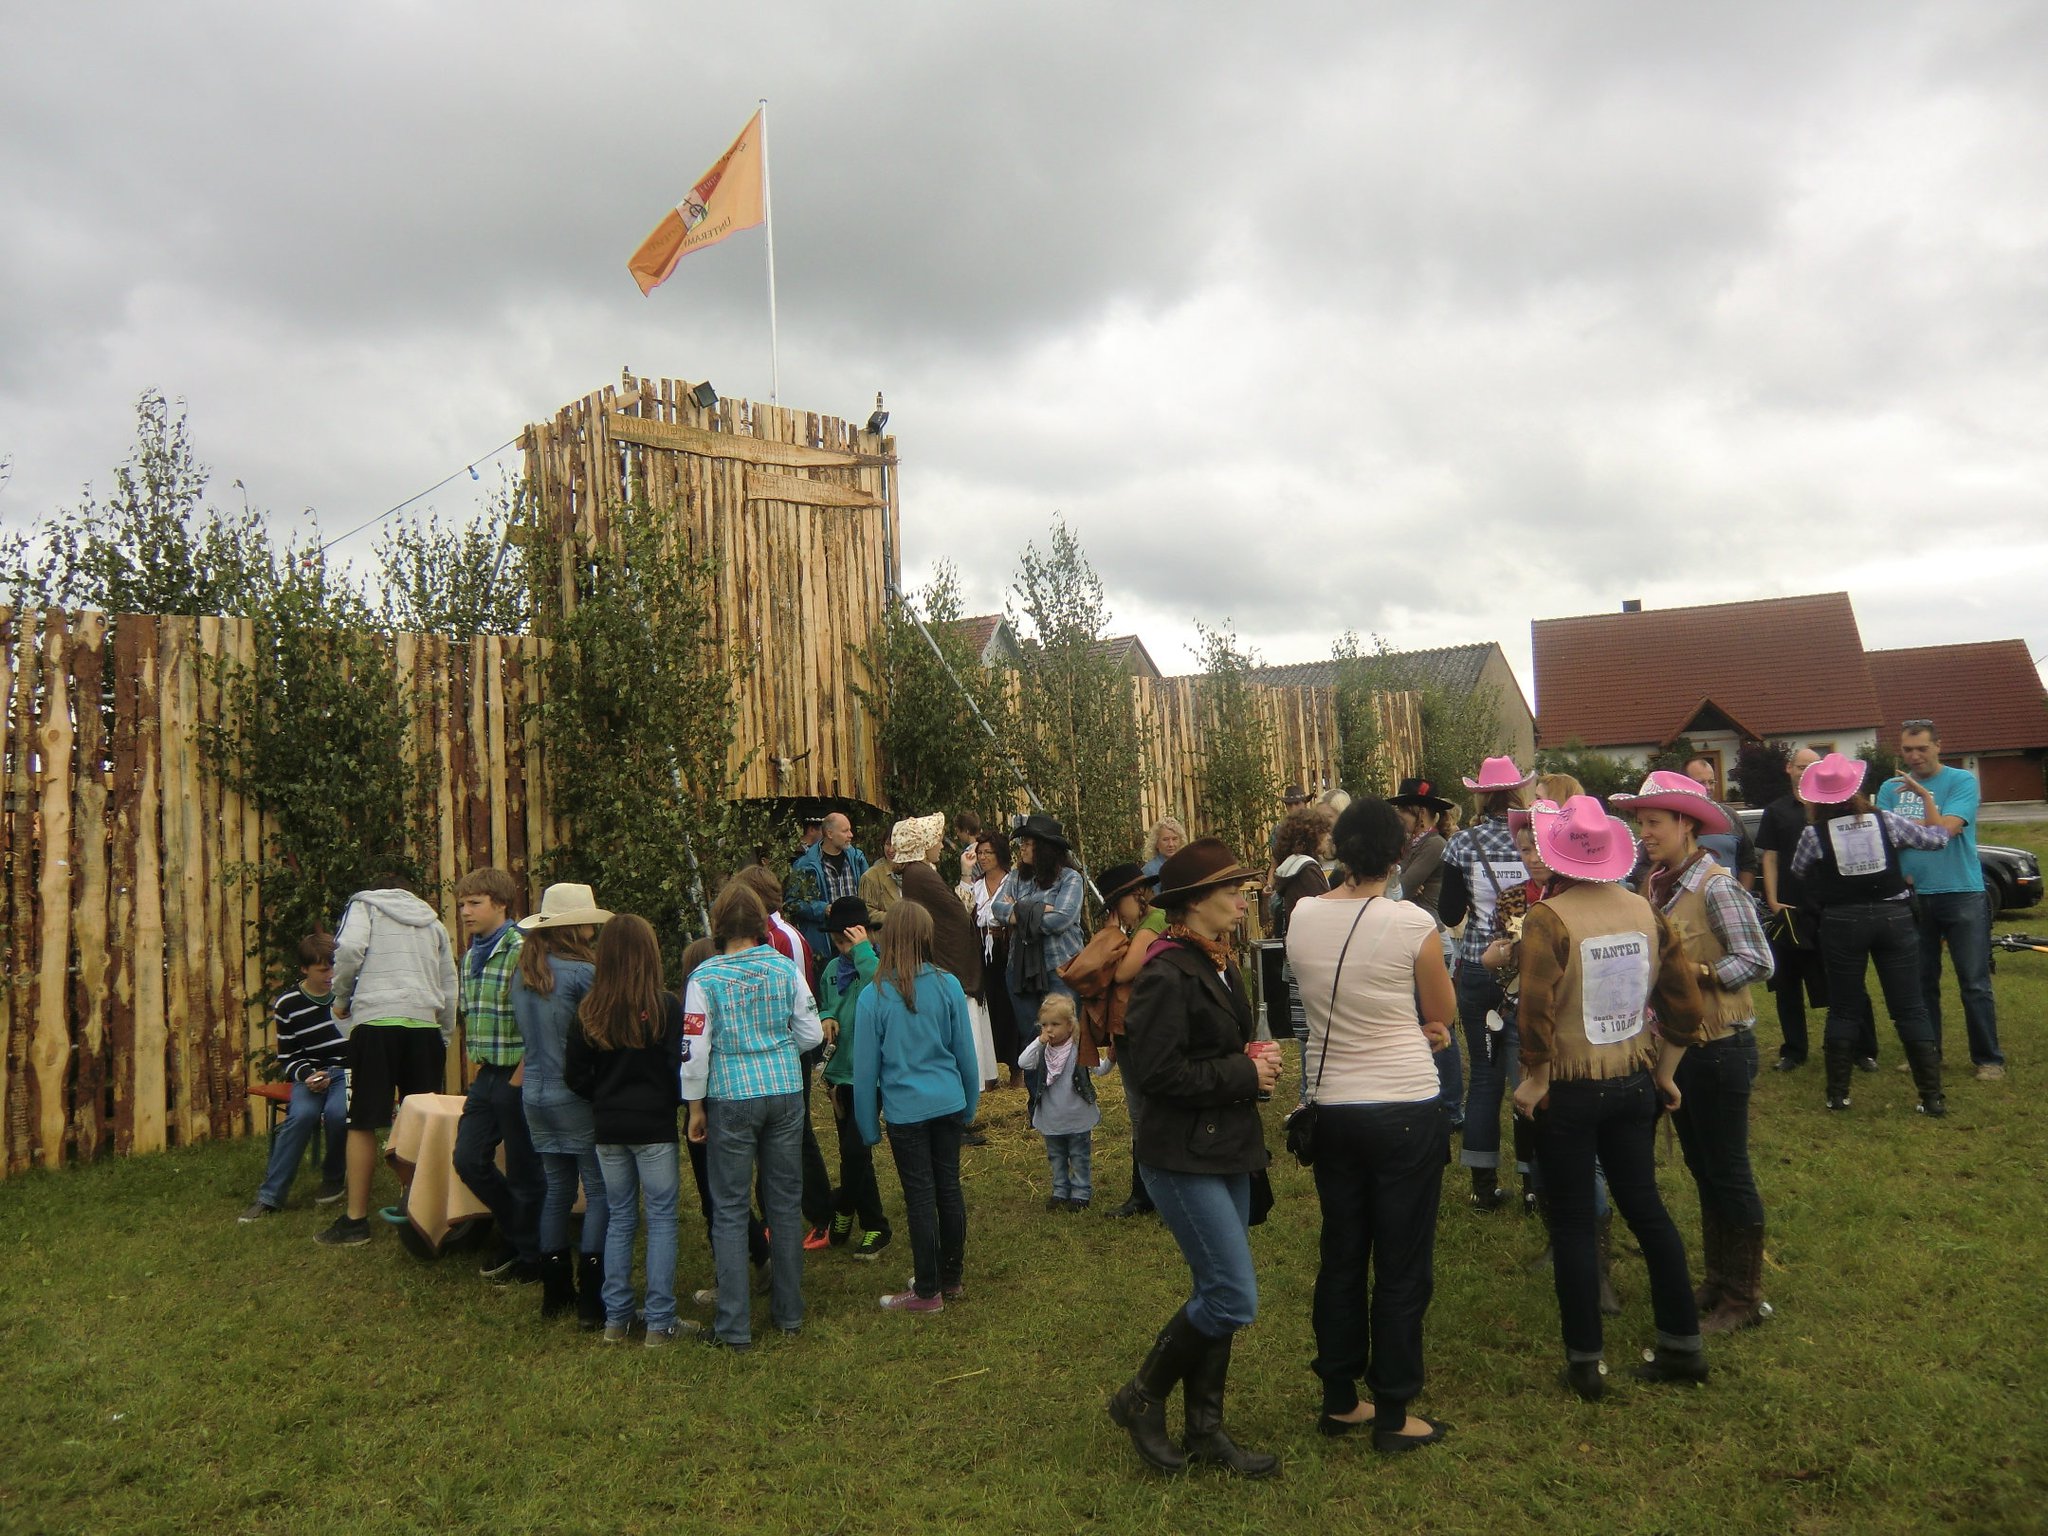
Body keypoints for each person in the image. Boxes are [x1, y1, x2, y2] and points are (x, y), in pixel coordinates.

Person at [1509, 796, 1713, 1399]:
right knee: (1646, 1207)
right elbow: (1685, 1007)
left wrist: (1537, 1079)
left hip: (1570, 1089)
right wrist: (1666, 1073)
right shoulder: (1644, 910)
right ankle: (1683, 1344)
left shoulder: (1548, 919)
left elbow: (1535, 1011)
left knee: (1574, 1222)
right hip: (1632, 1080)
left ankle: (1586, 1363)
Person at [1286, 799, 1457, 1451]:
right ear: (1396, 854)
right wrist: (1429, 1027)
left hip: (1332, 1104)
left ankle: (1339, 1398)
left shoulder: (1303, 915)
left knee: (1343, 1255)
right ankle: (1393, 1408)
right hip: (1403, 1103)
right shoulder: (1411, 921)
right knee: (1402, 1261)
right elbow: (1440, 1010)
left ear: (1339, 848)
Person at [1111, 838, 1282, 1479]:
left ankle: (1205, 1430)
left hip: (1223, 1145)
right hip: (1180, 1156)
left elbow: (1213, 1049)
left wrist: (1251, 1061)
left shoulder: (1218, 961)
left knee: (1215, 1289)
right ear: (1195, 902)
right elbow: (1157, 1073)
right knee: (1233, 1297)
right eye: (1231, 892)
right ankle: (1140, 1398)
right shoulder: (1165, 972)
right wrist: (1243, 1072)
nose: (1242, 902)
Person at [1611, 772, 1775, 1334]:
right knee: (1703, 1168)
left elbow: (1757, 960)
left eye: (1654, 822)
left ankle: (1744, 1295)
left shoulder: (1716, 886)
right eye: (1640, 823)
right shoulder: (1656, 884)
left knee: (1728, 1170)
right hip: (1681, 1049)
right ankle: (1719, 1279)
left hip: (1723, 1048)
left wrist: (1698, 972)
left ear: (1686, 824)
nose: (1644, 832)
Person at [682, 883, 824, 1349]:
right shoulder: (784, 967)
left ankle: (733, 1327)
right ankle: (789, 1314)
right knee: (783, 1202)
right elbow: (810, 1034)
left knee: (728, 1207)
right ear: (761, 923)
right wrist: (775, 1047)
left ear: (719, 923)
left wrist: (695, 1106)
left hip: (731, 1095)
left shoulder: (704, 978)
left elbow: (694, 1051)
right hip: (784, 1089)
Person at [1790, 752, 1953, 1114]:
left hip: (1841, 921)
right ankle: (1931, 1097)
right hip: (1894, 917)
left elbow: (1799, 869)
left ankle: (1838, 1094)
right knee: (1910, 1008)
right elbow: (1936, 840)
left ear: (1818, 797)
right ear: (1856, 789)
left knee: (1843, 1008)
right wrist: (1927, 800)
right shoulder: (1886, 820)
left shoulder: (1813, 834)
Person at [563, 914, 689, 1346]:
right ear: (650, 954)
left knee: (620, 1218)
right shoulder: (665, 1007)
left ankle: (616, 1319)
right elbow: (679, 1067)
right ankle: (660, 1321)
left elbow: (574, 1075)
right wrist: (669, 1101)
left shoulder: (590, 1010)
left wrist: (602, 1097)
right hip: (653, 1127)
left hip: (609, 1128)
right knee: (661, 1219)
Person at [852, 901, 981, 1312]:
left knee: (921, 1198)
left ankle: (928, 1290)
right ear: (927, 936)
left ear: (886, 938)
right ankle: (950, 1278)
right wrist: (970, 1104)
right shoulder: (948, 985)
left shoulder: (874, 996)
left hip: (906, 1113)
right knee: (949, 1189)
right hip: (948, 1103)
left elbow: (864, 1071)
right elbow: (966, 1054)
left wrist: (867, 1126)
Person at [316, 877, 459, 1248]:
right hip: (424, 1027)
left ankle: (355, 1222)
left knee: (363, 1121)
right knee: (423, 1123)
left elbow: (349, 949)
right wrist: (443, 1033)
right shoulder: (432, 922)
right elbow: (449, 982)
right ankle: (421, 1214)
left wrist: (341, 998)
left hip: (376, 1023)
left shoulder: (364, 906)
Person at [1875, 720, 2005, 1080]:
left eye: (1922, 748)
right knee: (1921, 980)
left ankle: (1988, 1060)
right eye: (1907, 749)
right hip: (1912, 896)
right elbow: (1884, 836)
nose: (1914, 756)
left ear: (1938, 746)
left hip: (1961, 892)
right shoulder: (1889, 788)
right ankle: (1928, 1053)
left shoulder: (1962, 781)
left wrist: (1920, 805)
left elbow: (1945, 831)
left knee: (1974, 981)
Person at [1439, 756, 1536, 1213]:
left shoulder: (1462, 843)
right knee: (1526, 1076)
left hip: (1479, 965)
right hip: (1528, 967)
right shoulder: (1535, 840)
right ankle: (1534, 1182)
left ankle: (1483, 1185)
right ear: (1519, 792)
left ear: (1480, 796)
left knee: (1483, 1075)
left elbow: (1449, 914)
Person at [512, 883, 611, 1326]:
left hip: (534, 1091)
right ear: (577, 926)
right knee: (599, 1190)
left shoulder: (524, 971)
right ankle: (592, 1295)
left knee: (557, 1188)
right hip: (574, 1092)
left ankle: (555, 1292)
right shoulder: (583, 973)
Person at [449, 868, 543, 1284]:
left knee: (524, 1169)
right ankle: (521, 1233)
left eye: (475, 903)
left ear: (501, 905)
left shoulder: (522, 950)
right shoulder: (471, 955)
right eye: (461, 905)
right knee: (467, 1159)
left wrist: (518, 1079)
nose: (465, 912)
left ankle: (531, 1257)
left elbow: (538, 1022)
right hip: (487, 1073)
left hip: (518, 1073)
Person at [738, 864, 837, 1250]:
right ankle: (778, 1213)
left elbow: (797, 999)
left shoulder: (781, 938)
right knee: (774, 1133)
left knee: (795, 1133)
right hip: (775, 1049)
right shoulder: (773, 935)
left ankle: (819, 1213)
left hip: (786, 1050)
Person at [1059, 862, 1158, 1218]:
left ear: (1135, 896)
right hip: (1135, 1029)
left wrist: (1110, 935)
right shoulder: (1142, 927)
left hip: (1147, 1031)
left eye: (1117, 906)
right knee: (1140, 1111)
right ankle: (1145, 1191)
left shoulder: (1153, 923)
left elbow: (1120, 971)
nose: (1117, 914)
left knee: (1144, 1111)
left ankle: (1148, 1194)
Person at [240, 933, 348, 1222]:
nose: (331, 975)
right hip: (310, 1075)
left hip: (347, 1072)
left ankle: (334, 1178)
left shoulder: (349, 993)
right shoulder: (288, 1004)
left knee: (338, 1114)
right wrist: (310, 1075)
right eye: (323, 970)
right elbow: (289, 1056)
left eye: (334, 967)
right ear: (304, 969)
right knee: (300, 1117)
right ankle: (269, 1197)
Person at [896, 812, 997, 1099]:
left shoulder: (920, 872)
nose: (941, 845)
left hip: (946, 965)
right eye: (937, 840)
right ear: (923, 843)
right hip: (950, 967)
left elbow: (953, 909)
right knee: (960, 1028)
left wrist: (965, 874)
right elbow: (957, 914)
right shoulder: (920, 874)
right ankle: (965, 1090)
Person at [817, 896, 891, 1258]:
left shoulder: (877, 965)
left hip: (870, 1076)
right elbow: (825, 1001)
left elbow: (884, 989)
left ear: (864, 935)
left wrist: (862, 952)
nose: (842, 948)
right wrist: (826, 1016)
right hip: (840, 1072)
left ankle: (843, 1206)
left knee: (855, 1149)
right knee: (854, 1156)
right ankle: (873, 1223)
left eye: (847, 941)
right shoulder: (832, 969)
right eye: (837, 941)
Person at [992, 813, 1087, 1059]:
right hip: (1020, 969)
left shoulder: (1070, 878)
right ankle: (1037, 1086)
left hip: (1060, 968)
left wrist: (1019, 909)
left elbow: (1061, 919)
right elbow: (997, 908)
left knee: (1066, 1038)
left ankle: (1072, 1084)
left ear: (1044, 848)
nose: (1021, 847)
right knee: (1031, 1038)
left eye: (1027, 843)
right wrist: (1040, 908)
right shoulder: (1016, 876)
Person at [1017, 993, 1110, 1209]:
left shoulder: (1079, 1050)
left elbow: (1100, 1069)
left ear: (1070, 1026)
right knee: (1056, 1156)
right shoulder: (1043, 1052)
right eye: (1044, 1025)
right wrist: (1038, 1042)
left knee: (1079, 1155)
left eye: (1055, 1024)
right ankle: (1060, 1190)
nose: (1049, 1030)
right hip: (1052, 1117)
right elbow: (1023, 1062)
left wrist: (1112, 1058)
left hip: (1077, 1116)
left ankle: (1081, 1192)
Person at [785, 812, 870, 977]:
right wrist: (823, 909)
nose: (851, 835)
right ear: (830, 834)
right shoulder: (805, 865)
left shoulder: (857, 859)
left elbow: (868, 894)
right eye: (845, 831)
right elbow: (792, 903)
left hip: (857, 937)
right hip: (826, 944)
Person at [971, 829, 1025, 1085]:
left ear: (999, 854)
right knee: (987, 1009)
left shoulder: (1013, 882)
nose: (983, 857)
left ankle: (1017, 1068)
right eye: (980, 853)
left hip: (1007, 951)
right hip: (982, 955)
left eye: (988, 852)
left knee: (1011, 1008)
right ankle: (989, 1071)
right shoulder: (975, 885)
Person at [1683, 755, 1759, 891]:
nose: (1708, 787)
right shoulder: (1675, 821)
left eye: (1711, 782)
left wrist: (1742, 894)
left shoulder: (1731, 816)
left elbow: (1748, 862)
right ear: (1684, 783)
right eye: (1701, 783)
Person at [1388, 778, 1453, 920]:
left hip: (1428, 925)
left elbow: (1400, 891)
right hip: (1409, 922)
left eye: (1403, 810)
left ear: (1421, 813)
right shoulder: (1409, 842)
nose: (1398, 815)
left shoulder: (1435, 844)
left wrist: (1398, 882)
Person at [861, 835, 906, 928]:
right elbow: (866, 912)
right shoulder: (871, 876)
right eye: (888, 844)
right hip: (885, 933)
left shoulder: (916, 872)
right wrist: (897, 918)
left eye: (895, 844)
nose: (891, 850)